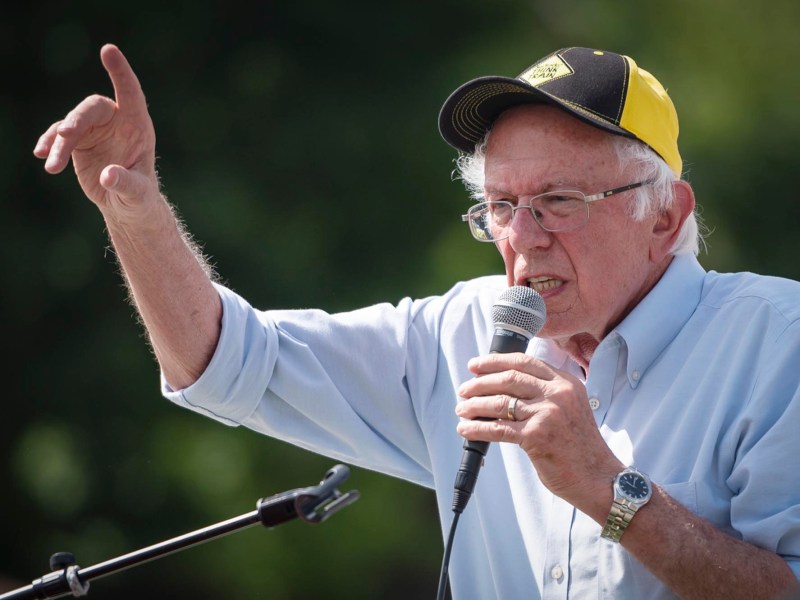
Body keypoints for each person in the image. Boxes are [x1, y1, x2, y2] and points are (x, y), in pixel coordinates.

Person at [34, 44, 800, 599]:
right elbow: (228, 363)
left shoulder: (778, 342)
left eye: (560, 202)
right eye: (501, 207)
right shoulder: (461, 333)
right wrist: (133, 206)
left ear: (665, 216)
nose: (523, 238)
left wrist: (611, 492)